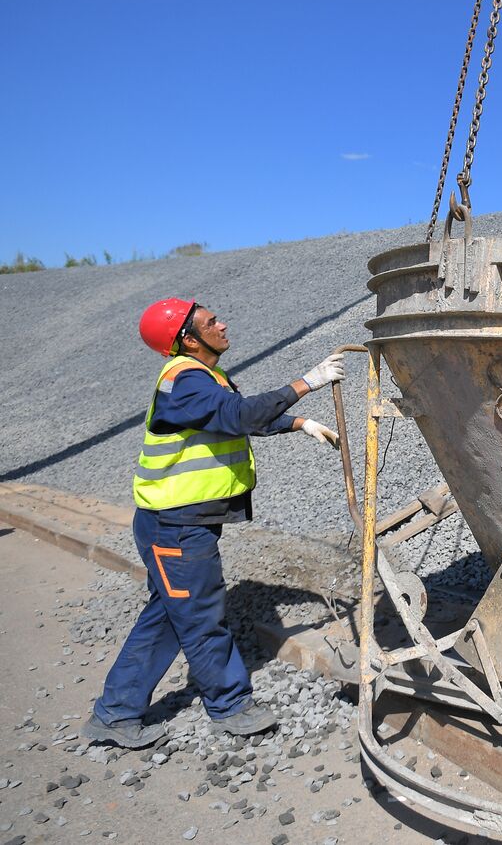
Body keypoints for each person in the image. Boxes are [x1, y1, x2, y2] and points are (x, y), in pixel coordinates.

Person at [82, 298, 346, 748]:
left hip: (176, 522)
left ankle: (115, 714)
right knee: (202, 616)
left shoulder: (203, 378)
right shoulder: (184, 380)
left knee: (168, 615)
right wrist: (307, 383)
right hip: (176, 527)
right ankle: (230, 706)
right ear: (188, 338)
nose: (223, 324)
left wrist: (298, 423)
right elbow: (239, 415)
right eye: (211, 322)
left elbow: (230, 419)